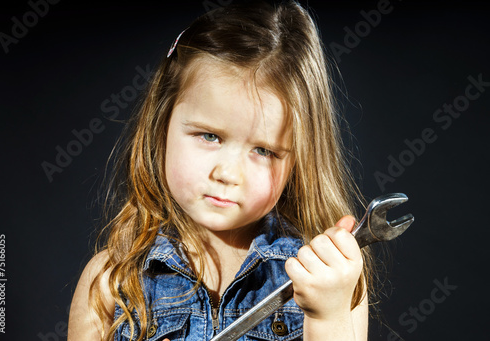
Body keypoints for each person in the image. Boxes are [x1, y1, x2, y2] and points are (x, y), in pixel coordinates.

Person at [68, 1, 374, 340]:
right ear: (162, 125)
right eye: (210, 136)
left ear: (298, 160)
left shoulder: (329, 278)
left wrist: (329, 315)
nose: (228, 173)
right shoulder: (111, 281)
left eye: (263, 151)